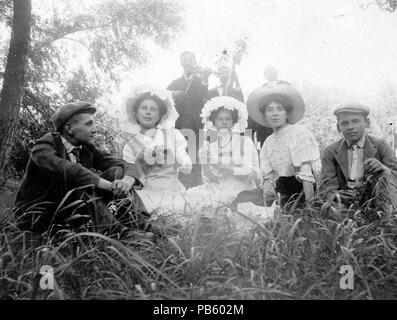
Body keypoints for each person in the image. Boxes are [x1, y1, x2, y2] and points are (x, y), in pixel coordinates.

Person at [14, 102, 144, 236]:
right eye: (89, 124)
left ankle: (141, 223)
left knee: (116, 171)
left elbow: (126, 165)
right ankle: (120, 233)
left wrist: (127, 181)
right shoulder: (45, 145)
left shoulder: (86, 148)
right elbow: (69, 170)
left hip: (69, 211)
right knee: (78, 185)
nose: (95, 129)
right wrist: (108, 185)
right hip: (38, 216)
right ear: (69, 128)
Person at [247, 84, 321, 208]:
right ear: (265, 115)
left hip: (301, 193)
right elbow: (268, 176)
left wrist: (310, 209)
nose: (275, 114)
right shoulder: (268, 142)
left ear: (287, 113)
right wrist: (267, 190)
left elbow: (306, 175)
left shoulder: (299, 133)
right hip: (281, 196)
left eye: (280, 109)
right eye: (269, 110)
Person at [184, 96, 261, 215]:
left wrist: (231, 169)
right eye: (220, 119)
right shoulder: (210, 147)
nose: (224, 122)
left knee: (219, 203)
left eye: (228, 119)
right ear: (214, 122)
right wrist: (206, 164)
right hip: (218, 188)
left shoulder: (244, 142)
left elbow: (256, 174)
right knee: (190, 196)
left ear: (233, 121)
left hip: (241, 189)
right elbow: (208, 179)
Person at [122, 86, 192, 215]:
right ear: (136, 113)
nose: (148, 112)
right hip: (147, 192)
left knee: (179, 212)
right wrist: (140, 163)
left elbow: (187, 169)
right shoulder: (130, 147)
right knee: (140, 210)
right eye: (144, 108)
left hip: (172, 190)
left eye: (153, 109)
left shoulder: (174, 135)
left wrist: (174, 157)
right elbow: (133, 176)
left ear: (159, 115)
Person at [319, 103, 397, 217]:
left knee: (385, 174)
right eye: (344, 123)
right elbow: (326, 185)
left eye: (355, 121)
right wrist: (335, 196)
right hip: (346, 201)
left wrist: (383, 168)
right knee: (332, 211)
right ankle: (353, 224)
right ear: (338, 127)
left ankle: (388, 222)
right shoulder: (331, 150)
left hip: (375, 197)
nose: (350, 127)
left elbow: (394, 175)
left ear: (367, 123)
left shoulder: (381, 145)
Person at [167, 51, 209, 188]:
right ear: (181, 63)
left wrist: (204, 79)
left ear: (195, 61)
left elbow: (205, 96)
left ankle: (197, 189)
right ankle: (182, 189)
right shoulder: (175, 83)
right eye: (185, 59)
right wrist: (174, 94)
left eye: (190, 59)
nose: (188, 62)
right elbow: (163, 97)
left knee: (195, 158)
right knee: (182, 157)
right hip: (180, 126)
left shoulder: (200, 80)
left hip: (196, 126)